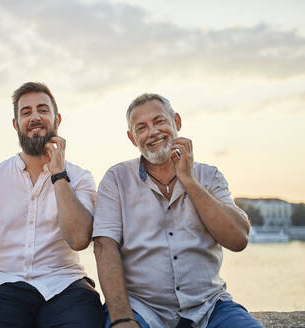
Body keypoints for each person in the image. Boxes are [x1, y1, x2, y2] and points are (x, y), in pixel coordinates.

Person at [93, 94, 263, 328]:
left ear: (177, 122)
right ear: (133, 139)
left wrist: (189, 180)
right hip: (141, 308)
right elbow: (104, 246)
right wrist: (122, 318)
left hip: (209, 306)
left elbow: (238, 239)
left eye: (159, 121)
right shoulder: (116, 179)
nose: (152, 132)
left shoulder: (209, 176)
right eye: (141, 128)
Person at [0, 82, 104, 328]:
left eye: (43, 110)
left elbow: (79, 240)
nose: (35, 116)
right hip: (3, 286)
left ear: (57, 119)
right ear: (16, 124)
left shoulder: (80, 177)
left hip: (66, 286)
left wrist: (58, 174)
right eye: (26, 112)